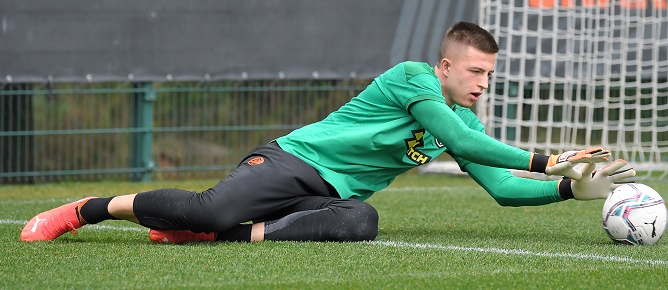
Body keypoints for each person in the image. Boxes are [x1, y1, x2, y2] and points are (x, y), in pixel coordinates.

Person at [20, 21, 636, 244]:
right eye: (475, 72)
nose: (483, 83)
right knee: (208, 208)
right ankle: (86, 209)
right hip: (293, 162)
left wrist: (564, 190)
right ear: (446, 66)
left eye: (490, 75)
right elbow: (475, 147)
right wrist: (548, 158)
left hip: (330, 196)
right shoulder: (413, 77)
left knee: (361, 221)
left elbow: (500, 186)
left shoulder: (463, 121)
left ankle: (219, 239)